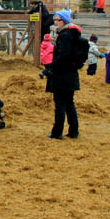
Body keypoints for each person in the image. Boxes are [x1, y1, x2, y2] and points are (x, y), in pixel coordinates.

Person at [39, 9, 80, 140]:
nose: (55, 22)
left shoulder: (65, 35)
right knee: (69, 103)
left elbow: (63, 56)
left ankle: (57, 132)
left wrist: (49, 68)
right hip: (70, 75)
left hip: (62, 75)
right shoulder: (71, 34)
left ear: (65, 21)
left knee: (60, 104)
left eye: (58, 20)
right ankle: (74, 130)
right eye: (55, 19)